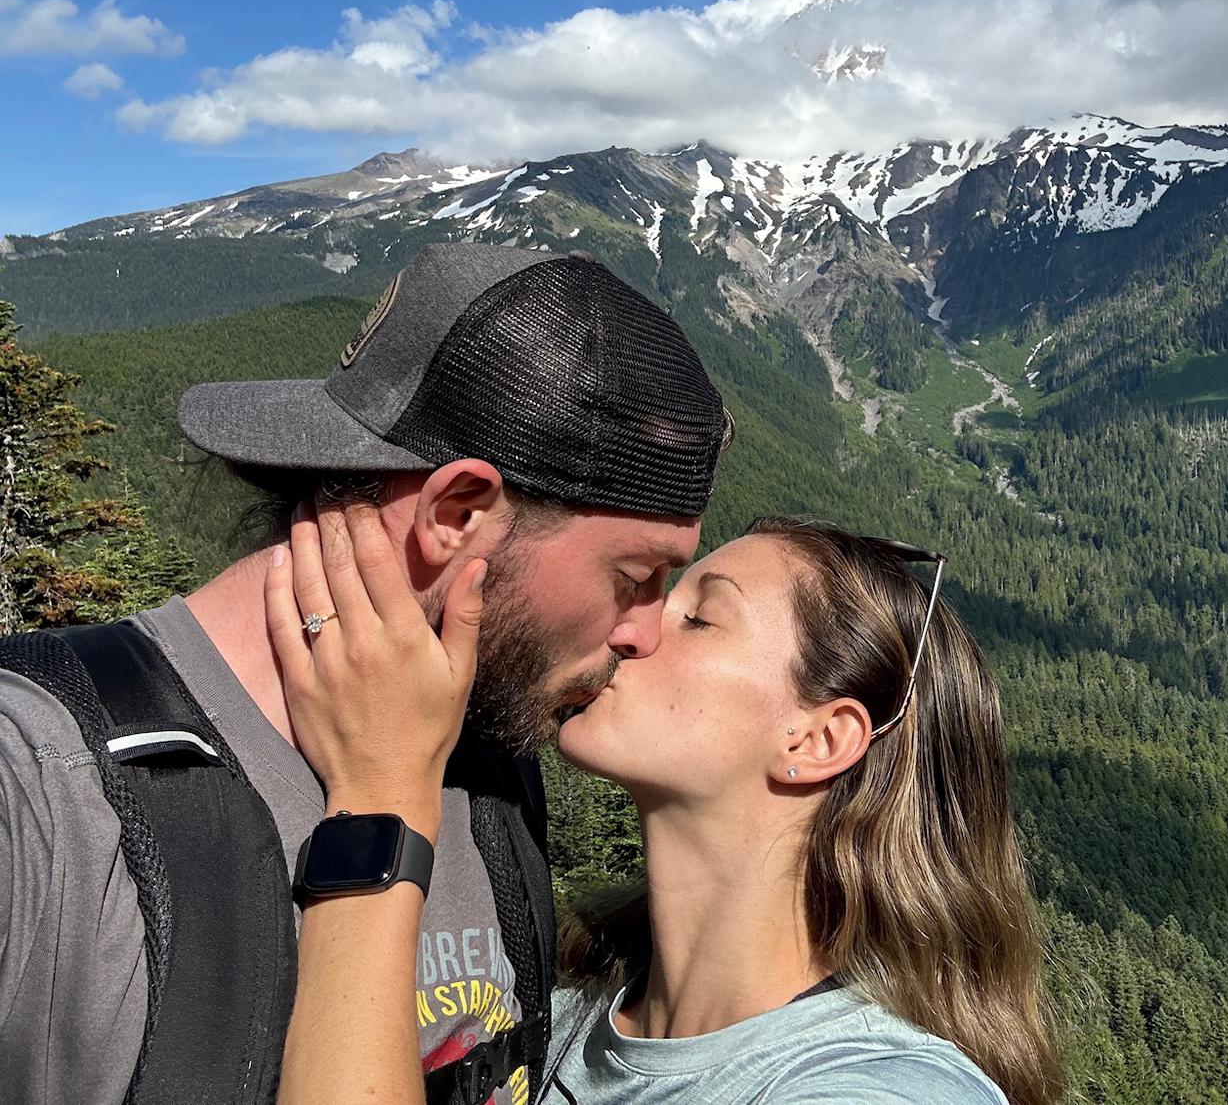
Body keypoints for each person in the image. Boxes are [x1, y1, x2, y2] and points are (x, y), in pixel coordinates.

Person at [0, 243, 730, 1105]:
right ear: (457, 513)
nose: (646, 629)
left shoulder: (486, 763)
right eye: (634, 577)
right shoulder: (38, 788)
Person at [269, 507, 1062, 1105]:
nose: (632, 626)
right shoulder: (554, 1022)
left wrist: (379, 801)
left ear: (818, 740)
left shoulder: (881, 1090)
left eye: (697, 617)